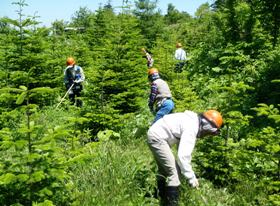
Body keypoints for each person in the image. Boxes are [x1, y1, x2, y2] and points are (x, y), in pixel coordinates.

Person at [147, 110, 223, 206]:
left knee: (164, 170)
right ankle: (171, 203)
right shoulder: (192, 127)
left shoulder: (192, 121)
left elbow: (181, 149)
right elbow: (183, 156)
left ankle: (159, 196)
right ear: (206, 125)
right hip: (157, 138)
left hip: (155, 134)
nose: (205, 135)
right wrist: (192, 179)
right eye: (207, 132)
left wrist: (186, 171)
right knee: (174, 173)